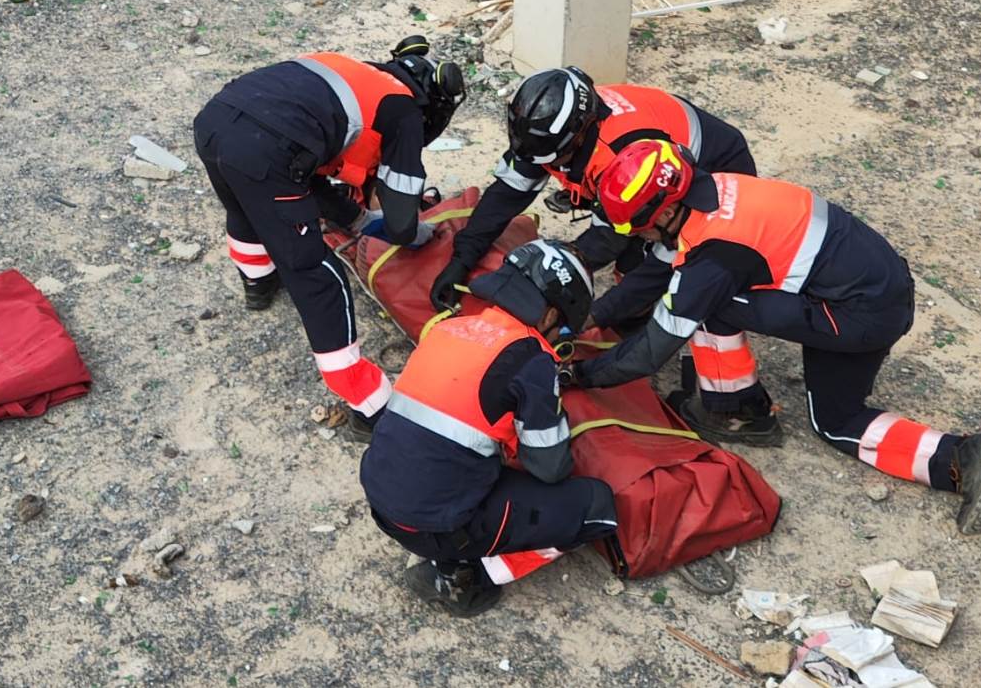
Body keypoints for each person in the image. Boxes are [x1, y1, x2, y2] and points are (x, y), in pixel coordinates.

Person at [569, 140, 981, 534]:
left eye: (638, 227)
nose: (638, 237)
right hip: (875, 282)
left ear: (664, 213)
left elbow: (649, 353)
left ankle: (958, 457)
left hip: (860, 314)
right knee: (694, 292)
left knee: (833, 420)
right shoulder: (714, 189)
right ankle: (737, 404)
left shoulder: (713, 257)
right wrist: (591, 316)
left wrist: (582, 374)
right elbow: (657, 268)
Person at [193, 36, 465, 433]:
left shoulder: (349, 69)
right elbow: (403, 220)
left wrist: (355, 219)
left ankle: (258, 283)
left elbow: (307, 167)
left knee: (246, 208)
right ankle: (369, 405)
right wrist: (414, 235)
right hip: (267, 151)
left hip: (216, 122)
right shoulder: (403, 111)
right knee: (317, 275)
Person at [361, 239, 620, 616]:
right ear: (549, 315)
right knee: (596, 506)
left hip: (382, 500)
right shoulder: (532, 359)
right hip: (434, 525)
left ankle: (452, 555)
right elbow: (550, 467)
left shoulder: (452, 327)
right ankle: (465, 579)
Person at [429, 67, 756, 334]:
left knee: (647, 269)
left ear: (580, 134)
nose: (546, 166)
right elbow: (507, 194)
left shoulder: (619, 160)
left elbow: (605, 240)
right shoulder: (546, 133)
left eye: (554, 160)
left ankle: (647, 336)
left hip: (710, 173)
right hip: (647, 170)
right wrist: (463, 257)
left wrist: (555, 289)